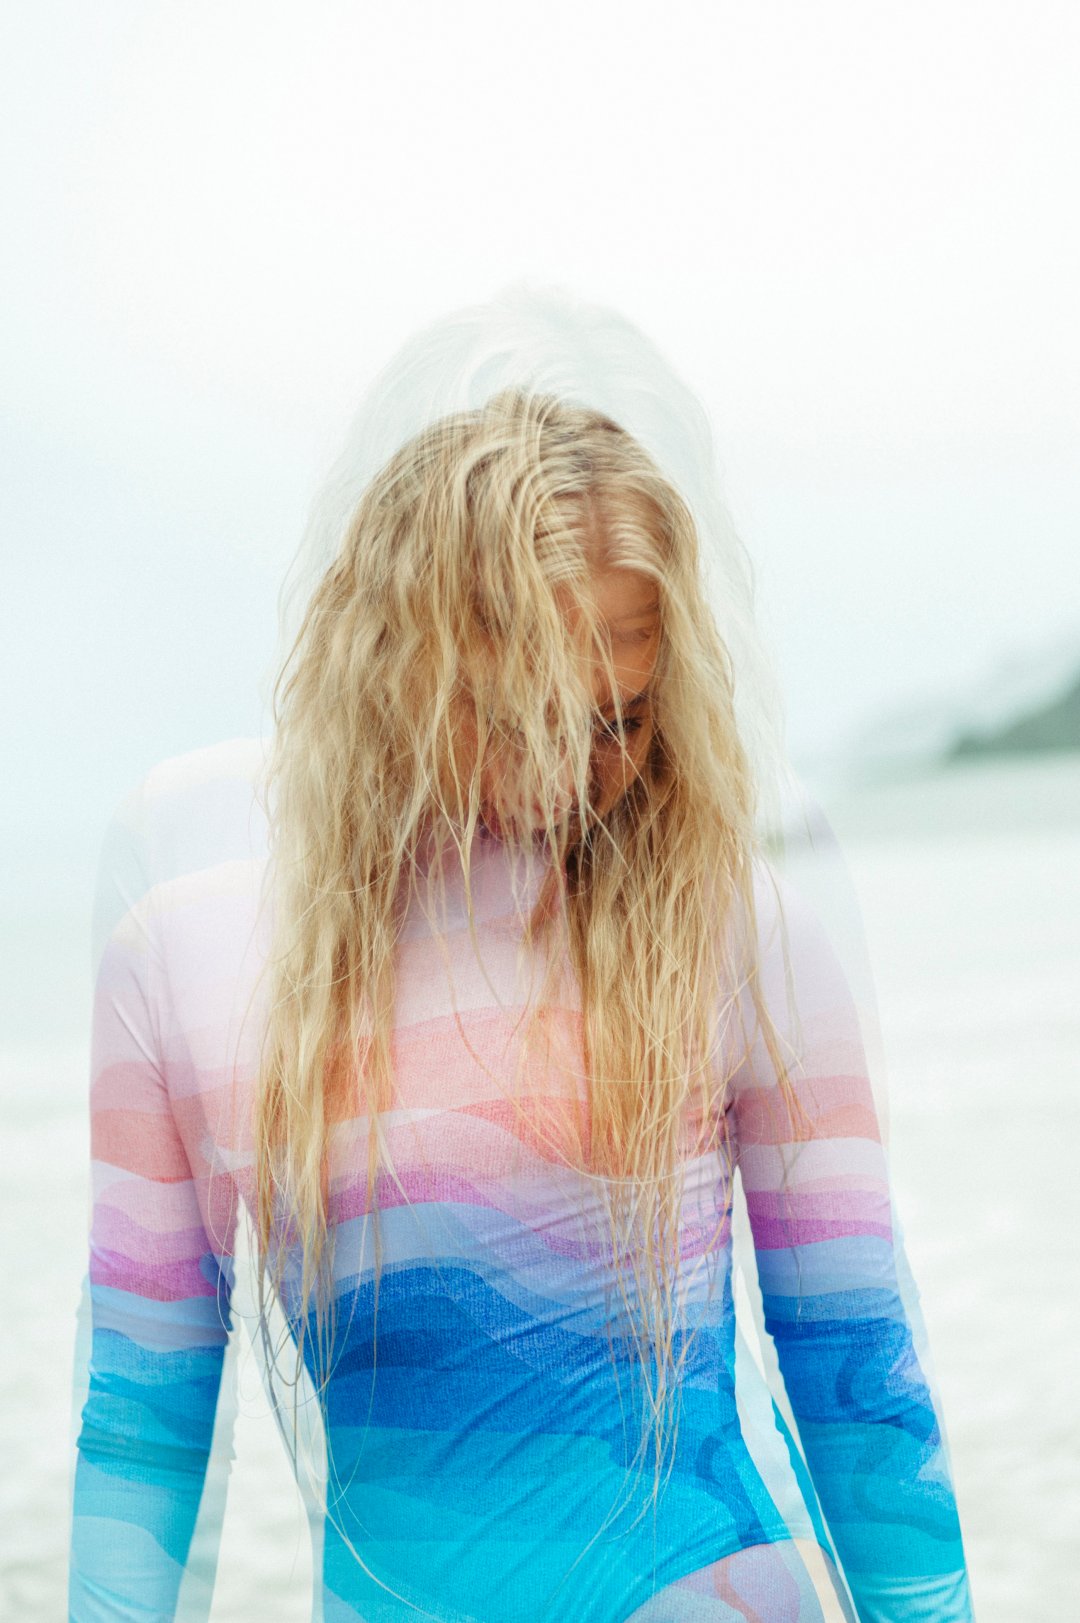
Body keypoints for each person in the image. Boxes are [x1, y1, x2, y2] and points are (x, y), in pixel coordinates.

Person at [67, 288, 975, 1621]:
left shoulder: (732, 928)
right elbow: (144, 1421)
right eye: (521, 716)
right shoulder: (189, 957)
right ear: (394, 664)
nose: (569, 775)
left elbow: (860, 1379)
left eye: (620, 721)